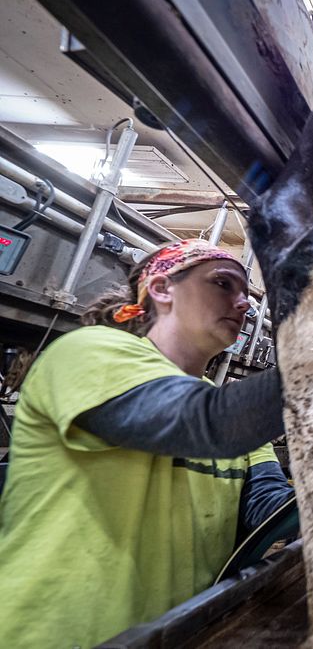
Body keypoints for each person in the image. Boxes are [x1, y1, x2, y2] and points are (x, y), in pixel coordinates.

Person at [0, 239, 294, 648]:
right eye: (223, 284)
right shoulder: (90, 353)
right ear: (161, 288)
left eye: (245, 293)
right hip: (55, 634)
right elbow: (208, 424)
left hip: (177, 634)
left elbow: (268, 507)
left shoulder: (225, 406)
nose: (243, 303)